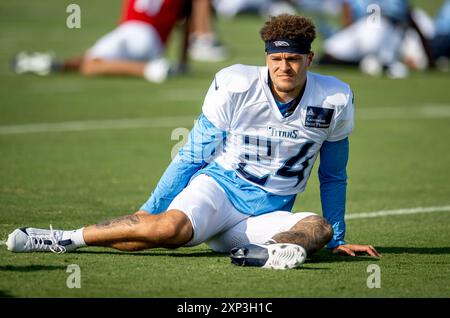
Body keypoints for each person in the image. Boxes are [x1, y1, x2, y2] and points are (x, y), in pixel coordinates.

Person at [6, 14, 381, 269]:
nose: (285, 67)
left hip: (267, 214)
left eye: (294, 59)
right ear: (266, 58)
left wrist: (337, 240)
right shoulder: (236, 85)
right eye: (278, 58)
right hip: (219, 190)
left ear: (310, 59)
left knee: (317, 228)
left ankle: (261, 254)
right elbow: (193, 154)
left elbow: (333, 174)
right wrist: (148, 210)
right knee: (165, 230)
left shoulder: (334, 98)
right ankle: (62, 237)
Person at [13, 0, 228, 82]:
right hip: (151, 39)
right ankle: (56, 65)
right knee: (91, 59)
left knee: (91, 65)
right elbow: (186, 27)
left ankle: (150, 70)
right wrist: (183, 62)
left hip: (133, 30)